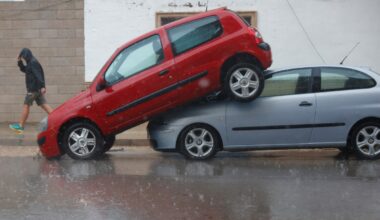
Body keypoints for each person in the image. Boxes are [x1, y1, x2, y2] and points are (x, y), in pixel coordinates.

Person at [9, 48, 53, 133]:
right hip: (37, 90)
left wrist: (42, 86)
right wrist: (19, 61)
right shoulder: (31, 62)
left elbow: (38, 75)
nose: (23, 58)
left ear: (27, 55)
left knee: (26, 105)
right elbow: (24, 70)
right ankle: (59, 120)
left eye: (23, 56)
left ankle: (20, 126)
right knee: (44, 105)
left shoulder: (33, 62)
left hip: (33, 90)